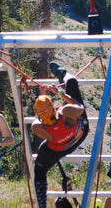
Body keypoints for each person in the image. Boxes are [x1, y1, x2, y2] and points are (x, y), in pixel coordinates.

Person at [31, 70, 89, 208]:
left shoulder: (38, 127)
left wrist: (42, 95)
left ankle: (42, 204)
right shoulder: (66, 112)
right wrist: (59, 93)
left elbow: (38, 119)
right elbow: (80, 107)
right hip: (78, 136)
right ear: (52, 106)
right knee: (72, 84)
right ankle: (64, 74)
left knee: (39, 171)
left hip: (58, 148)